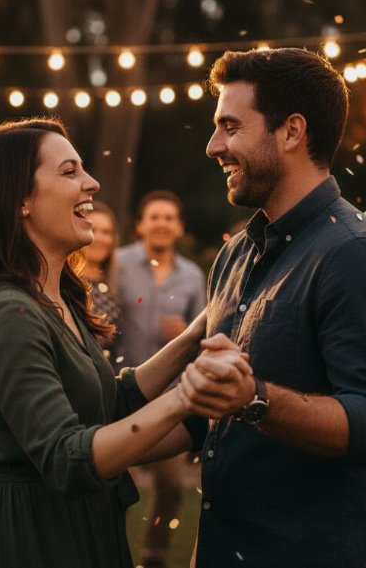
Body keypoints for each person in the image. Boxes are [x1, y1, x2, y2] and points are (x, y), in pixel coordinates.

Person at [0, 118, 255, 568]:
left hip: (80, 529)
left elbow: (110, 404)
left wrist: (198, 335)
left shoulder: (57, 300)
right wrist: (186, 396)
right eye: (70, 172)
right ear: (20, 201)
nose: (92, 183)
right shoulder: (8, 314)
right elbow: (67, 458)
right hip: (33, 542)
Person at [199, 48, 366, 566]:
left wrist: (254, 398)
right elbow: (207, 417)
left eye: (231, 126)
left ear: (292, 131)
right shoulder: (234, 255)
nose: (214, 147)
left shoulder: (356, 254)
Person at [115, 190, 206, 568]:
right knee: (107, 481)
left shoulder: (192, 275)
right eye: (154, 217)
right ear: (140, 225)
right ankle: (107, 551)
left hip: (167, 399)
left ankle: (153, 556)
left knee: (170, 485)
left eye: (169, 217)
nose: (162, 223)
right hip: (117, 391)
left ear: (179, 227)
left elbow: (205, 333)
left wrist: (183, 330)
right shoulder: (117, 266)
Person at [82, 200, 122, 366]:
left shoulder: (114, 287)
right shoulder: (64, 284)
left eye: (107, 232)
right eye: (92, 229)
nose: (99, 238)